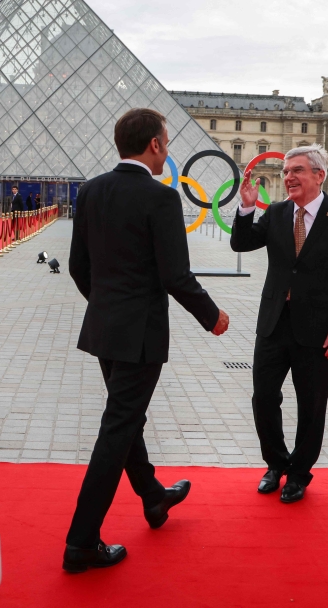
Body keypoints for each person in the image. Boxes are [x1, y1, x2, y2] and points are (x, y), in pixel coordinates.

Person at [64, 107, 230, 572]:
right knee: (117, 427)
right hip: (140, 335)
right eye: (167, 141)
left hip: (104, 328)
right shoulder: (161, 199)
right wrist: (211, 314)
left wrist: (106, 306)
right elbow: (175, 274)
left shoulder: (91, 191)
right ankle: (81, 541)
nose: (168, 149)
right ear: (154, 145)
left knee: (124, 416)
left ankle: (154, 498)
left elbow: (80, 267)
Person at [231, 144, 328, 504]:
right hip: (274, 324)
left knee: (312, 404)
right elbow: (240, 244)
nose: (288, 176)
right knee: (264, 398)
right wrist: (245, 206)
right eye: (287, 171)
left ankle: (299, 473)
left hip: (320, 330)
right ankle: (275, 464)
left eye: (297, 170)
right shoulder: (274, 213)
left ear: (319, 176)